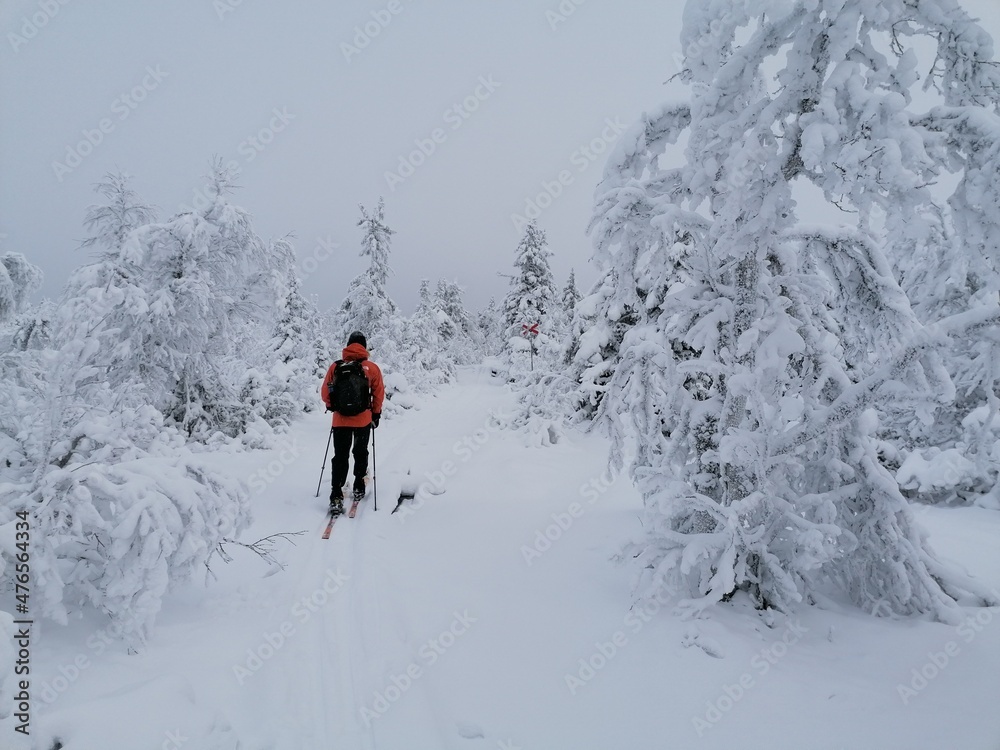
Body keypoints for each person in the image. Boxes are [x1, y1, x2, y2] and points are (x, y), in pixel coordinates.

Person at [321, 331, 385, 514]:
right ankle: (359, 486)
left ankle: (336, 495)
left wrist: (332, 406)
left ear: (348, 345)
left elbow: (325, 393)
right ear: (364, 347)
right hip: (363, 420)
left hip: (340, 421)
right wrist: (376, 414)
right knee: (360, 451)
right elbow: (378, 394)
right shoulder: (371, 368)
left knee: (340, 456)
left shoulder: (336, 367)